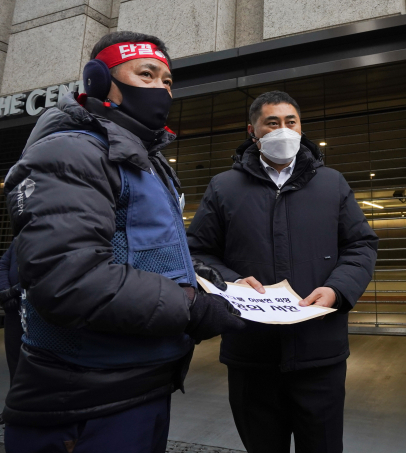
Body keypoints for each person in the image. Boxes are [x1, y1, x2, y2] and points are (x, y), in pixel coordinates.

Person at [2, 31, 244, 453]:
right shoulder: (69, 153)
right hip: (82, 406)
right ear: (98, 81)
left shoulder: (149, 164)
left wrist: (207, 281)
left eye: (168, 80)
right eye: (147, 74)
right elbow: (70, 280)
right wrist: (189, 307)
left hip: (142, 386)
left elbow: (148, 254)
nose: (162, 89)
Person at [187, 91, 379, 453]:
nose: (283, 130)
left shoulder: (332, 183)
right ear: (253, 131)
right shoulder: (224, 187)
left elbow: (361, 245)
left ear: (301, 127)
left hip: (319, 353)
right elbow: (197, 250)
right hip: (250, 353)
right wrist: (230, 282)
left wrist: (337, 290)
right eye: (272, 123)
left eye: (291, 122)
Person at [0, 238, 22, 425]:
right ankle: (14, 408)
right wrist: (5, 290)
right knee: (14, 360)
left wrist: (16, 290)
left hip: (37, 311)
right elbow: (3, 263)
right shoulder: (18, 239)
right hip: (14, 311)